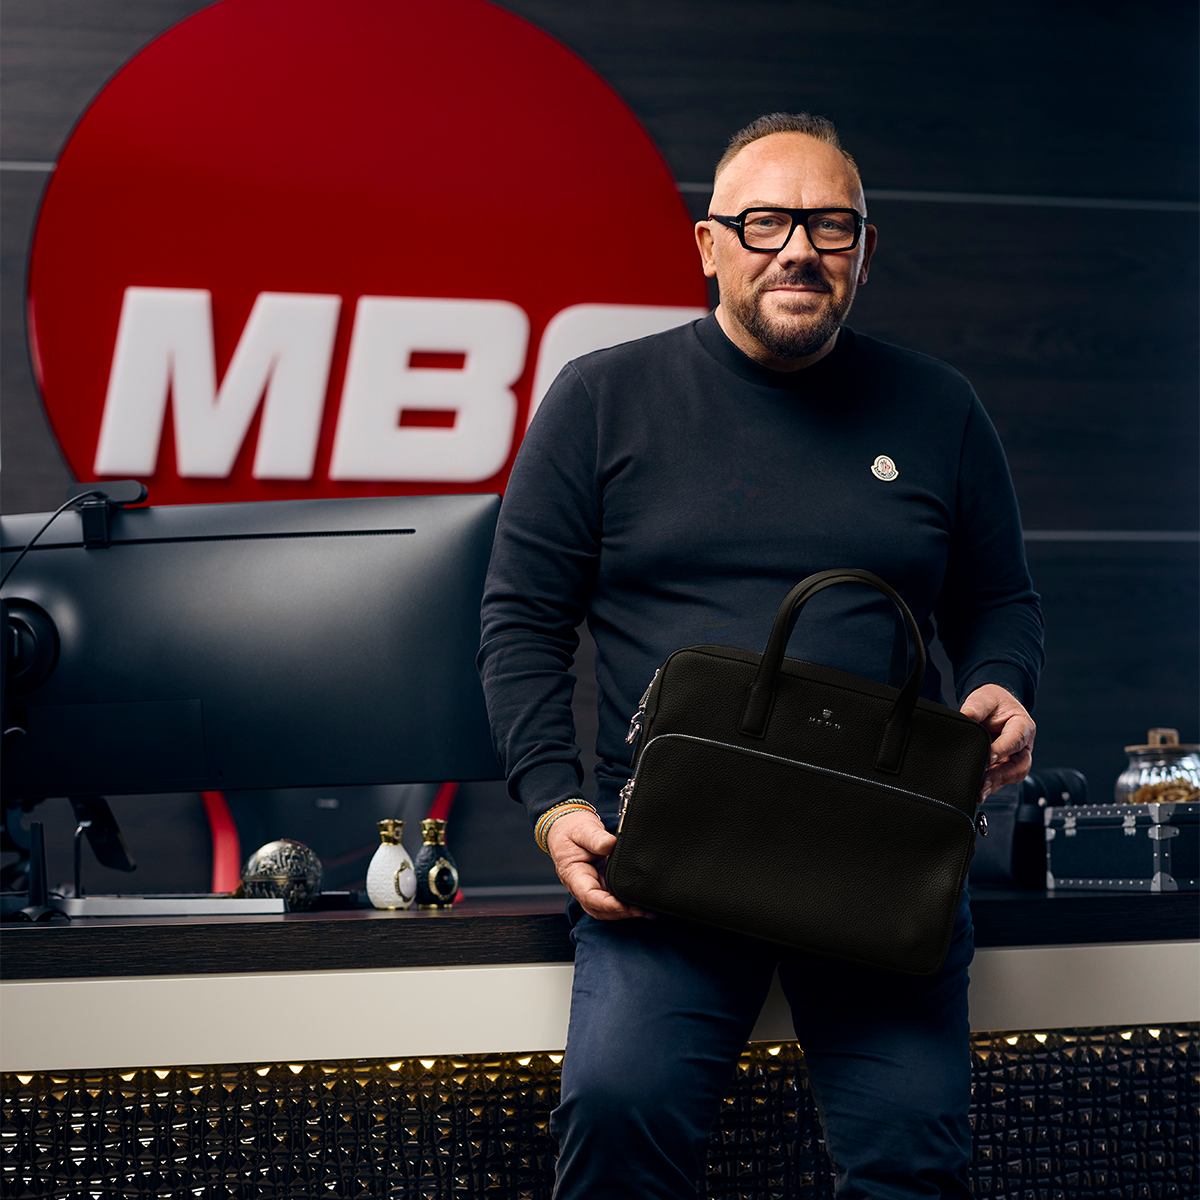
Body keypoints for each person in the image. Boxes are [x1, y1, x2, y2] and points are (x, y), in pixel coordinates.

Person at [478, 112, 1043, 1199]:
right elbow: (520, 622)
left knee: (911, 1158)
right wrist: (554, 806)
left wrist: (999, 684)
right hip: (668, 868)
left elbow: (999, 599)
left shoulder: (940, 408)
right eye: (766, 221)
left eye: (830, 225)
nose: (798, 248)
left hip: (884, 861)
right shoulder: (600, 398)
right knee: (620, 1115)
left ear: (864, 250)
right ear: (708, 244)